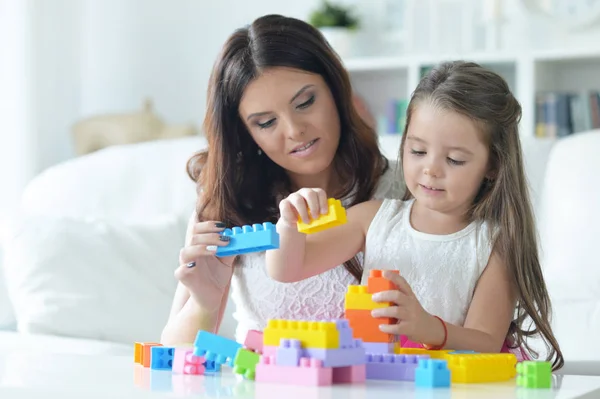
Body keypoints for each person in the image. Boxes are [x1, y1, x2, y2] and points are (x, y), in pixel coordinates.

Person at [265, 61, 564, 370]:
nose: (431, 169)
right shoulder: (373, 219)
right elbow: (288, 269)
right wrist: (289, 225)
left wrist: (427, 327)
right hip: (379, 377)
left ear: (493, 165)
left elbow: (486, 341)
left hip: (453, 384)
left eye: (454, 159)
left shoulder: (493, 243)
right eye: (418, 151)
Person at [160, 14, 405, 346]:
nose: (294, 131)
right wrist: (205, 301)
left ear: (335, 88)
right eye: (265, 122)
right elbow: (174, 354)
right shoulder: (228, 206)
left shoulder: (407, 188)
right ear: (245, 134)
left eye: (305, 102)